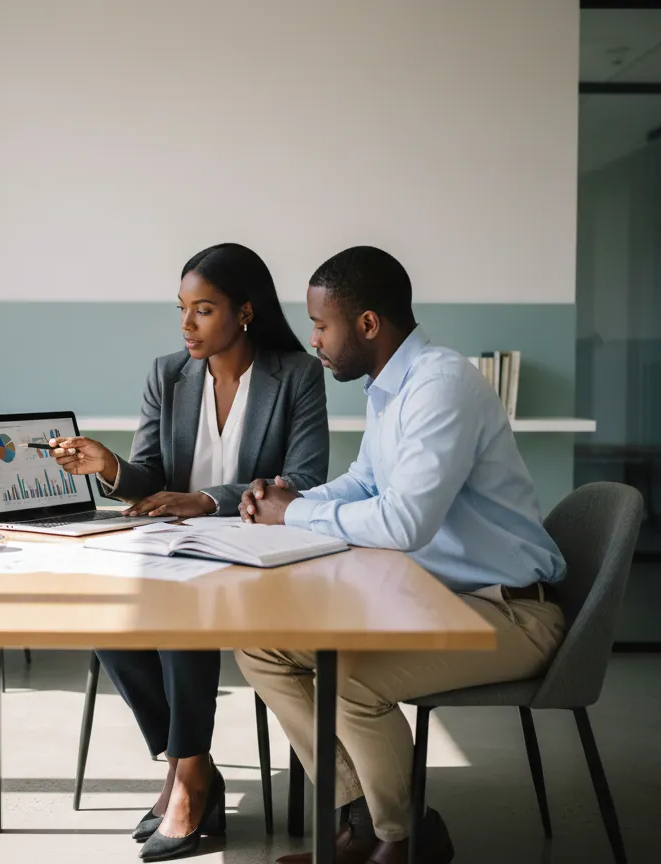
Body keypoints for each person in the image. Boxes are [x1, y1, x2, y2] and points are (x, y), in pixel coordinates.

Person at [236, 246, 567, 864]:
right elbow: (366, 481)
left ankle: (407, 837)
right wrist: (292, 498)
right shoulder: (389, 388)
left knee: (350, 678)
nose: (314, 340)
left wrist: (294, 515)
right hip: (441, 602)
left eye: (321, 325)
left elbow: (405, 521)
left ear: (367, 324)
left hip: (513, 613)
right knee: (263, 647)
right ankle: (367, 818)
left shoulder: (442, 385)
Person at [50, 242, 329, 861]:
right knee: (107, 615)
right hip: (175, 547)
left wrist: (207, 499)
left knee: (182, 616)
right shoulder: (167, 374)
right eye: (181, 309)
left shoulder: (296, 375)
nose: (187, 324)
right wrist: (110, 466)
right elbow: (150, 476)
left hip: (258, 554)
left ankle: (188, 784)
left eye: (203, 310)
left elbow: (305, 479)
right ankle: (190, 766)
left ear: (245, 311)